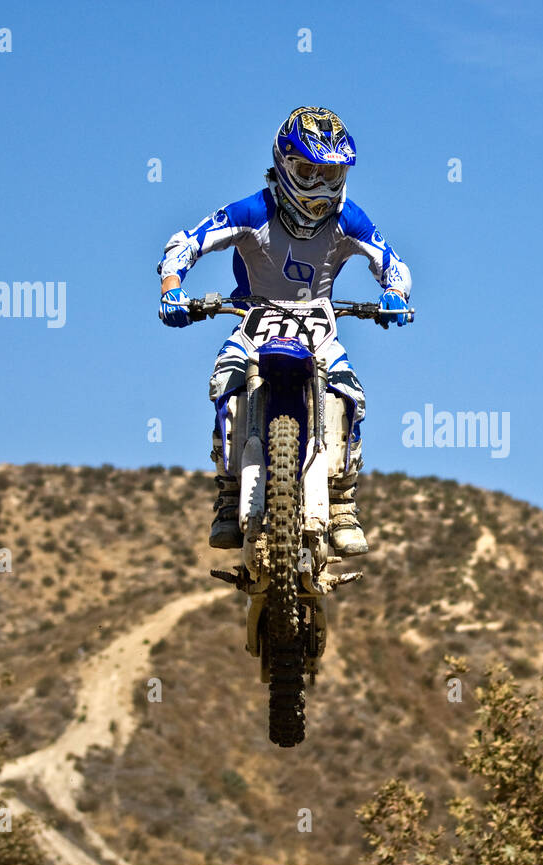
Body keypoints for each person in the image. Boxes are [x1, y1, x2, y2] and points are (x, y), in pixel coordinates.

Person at [156, 106, 412, 555]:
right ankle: (229, 494)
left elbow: (392, 263)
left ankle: (342, 501)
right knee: (225, 380)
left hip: (321, 329)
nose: (320, 185)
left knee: (351, 392)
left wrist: (394, 294)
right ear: (284, 164)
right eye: (309, 170)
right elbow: (186, 242)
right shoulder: (254, 210)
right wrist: (173, 286)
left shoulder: (348, 218)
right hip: (252, 323)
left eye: (331, 173)